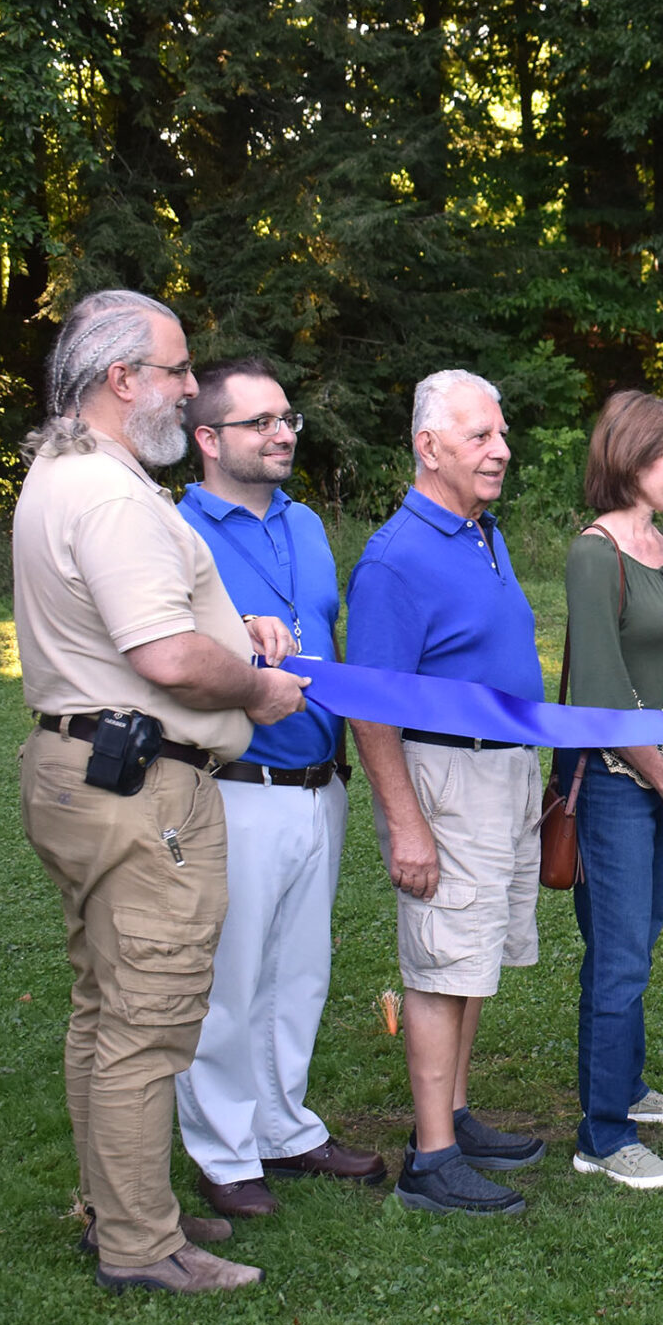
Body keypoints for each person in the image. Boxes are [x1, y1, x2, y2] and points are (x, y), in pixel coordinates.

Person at [13, 291, 309, 1295]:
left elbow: (155, 631)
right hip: (142, 786)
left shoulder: (68, 476)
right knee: (146, 1020)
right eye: (179, 371)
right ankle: (141, 1245)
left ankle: (120, 1210)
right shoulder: (110, 494)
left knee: (104, 1007)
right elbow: (168, 654)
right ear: (122, 379)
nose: (193, 390)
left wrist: (242, 633)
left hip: (88, 766)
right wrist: (258, 684)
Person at [171, 359, 383, 1220]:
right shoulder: (177, 530)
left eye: (286, 417)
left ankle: (284, 1127)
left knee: (299, 971)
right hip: (235, 783)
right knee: (230, 977)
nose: (283, 432)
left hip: (317, 781)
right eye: (259, 422)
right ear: (208, 440)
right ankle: (223, 1151)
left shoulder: (304, 525)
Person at [344, 370, 554, 1215]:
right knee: (439, 958)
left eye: (501, 434)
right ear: (429, 448)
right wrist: (406, 824)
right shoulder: (394, 560)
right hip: (446, 777)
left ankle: (456, 1115)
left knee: (472, 950)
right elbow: (370, 706)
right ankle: (431, 1160)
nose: (500, 450)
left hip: (503, 771)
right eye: (480, 437)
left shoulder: (480, 531)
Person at [558, 391, 663, 1189]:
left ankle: (625, 1086)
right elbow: (599, 700)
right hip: (622, 785)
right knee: (618, 956)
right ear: (631, 456)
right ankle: (603, 1134)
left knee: (637, 944)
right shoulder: (596, 554)